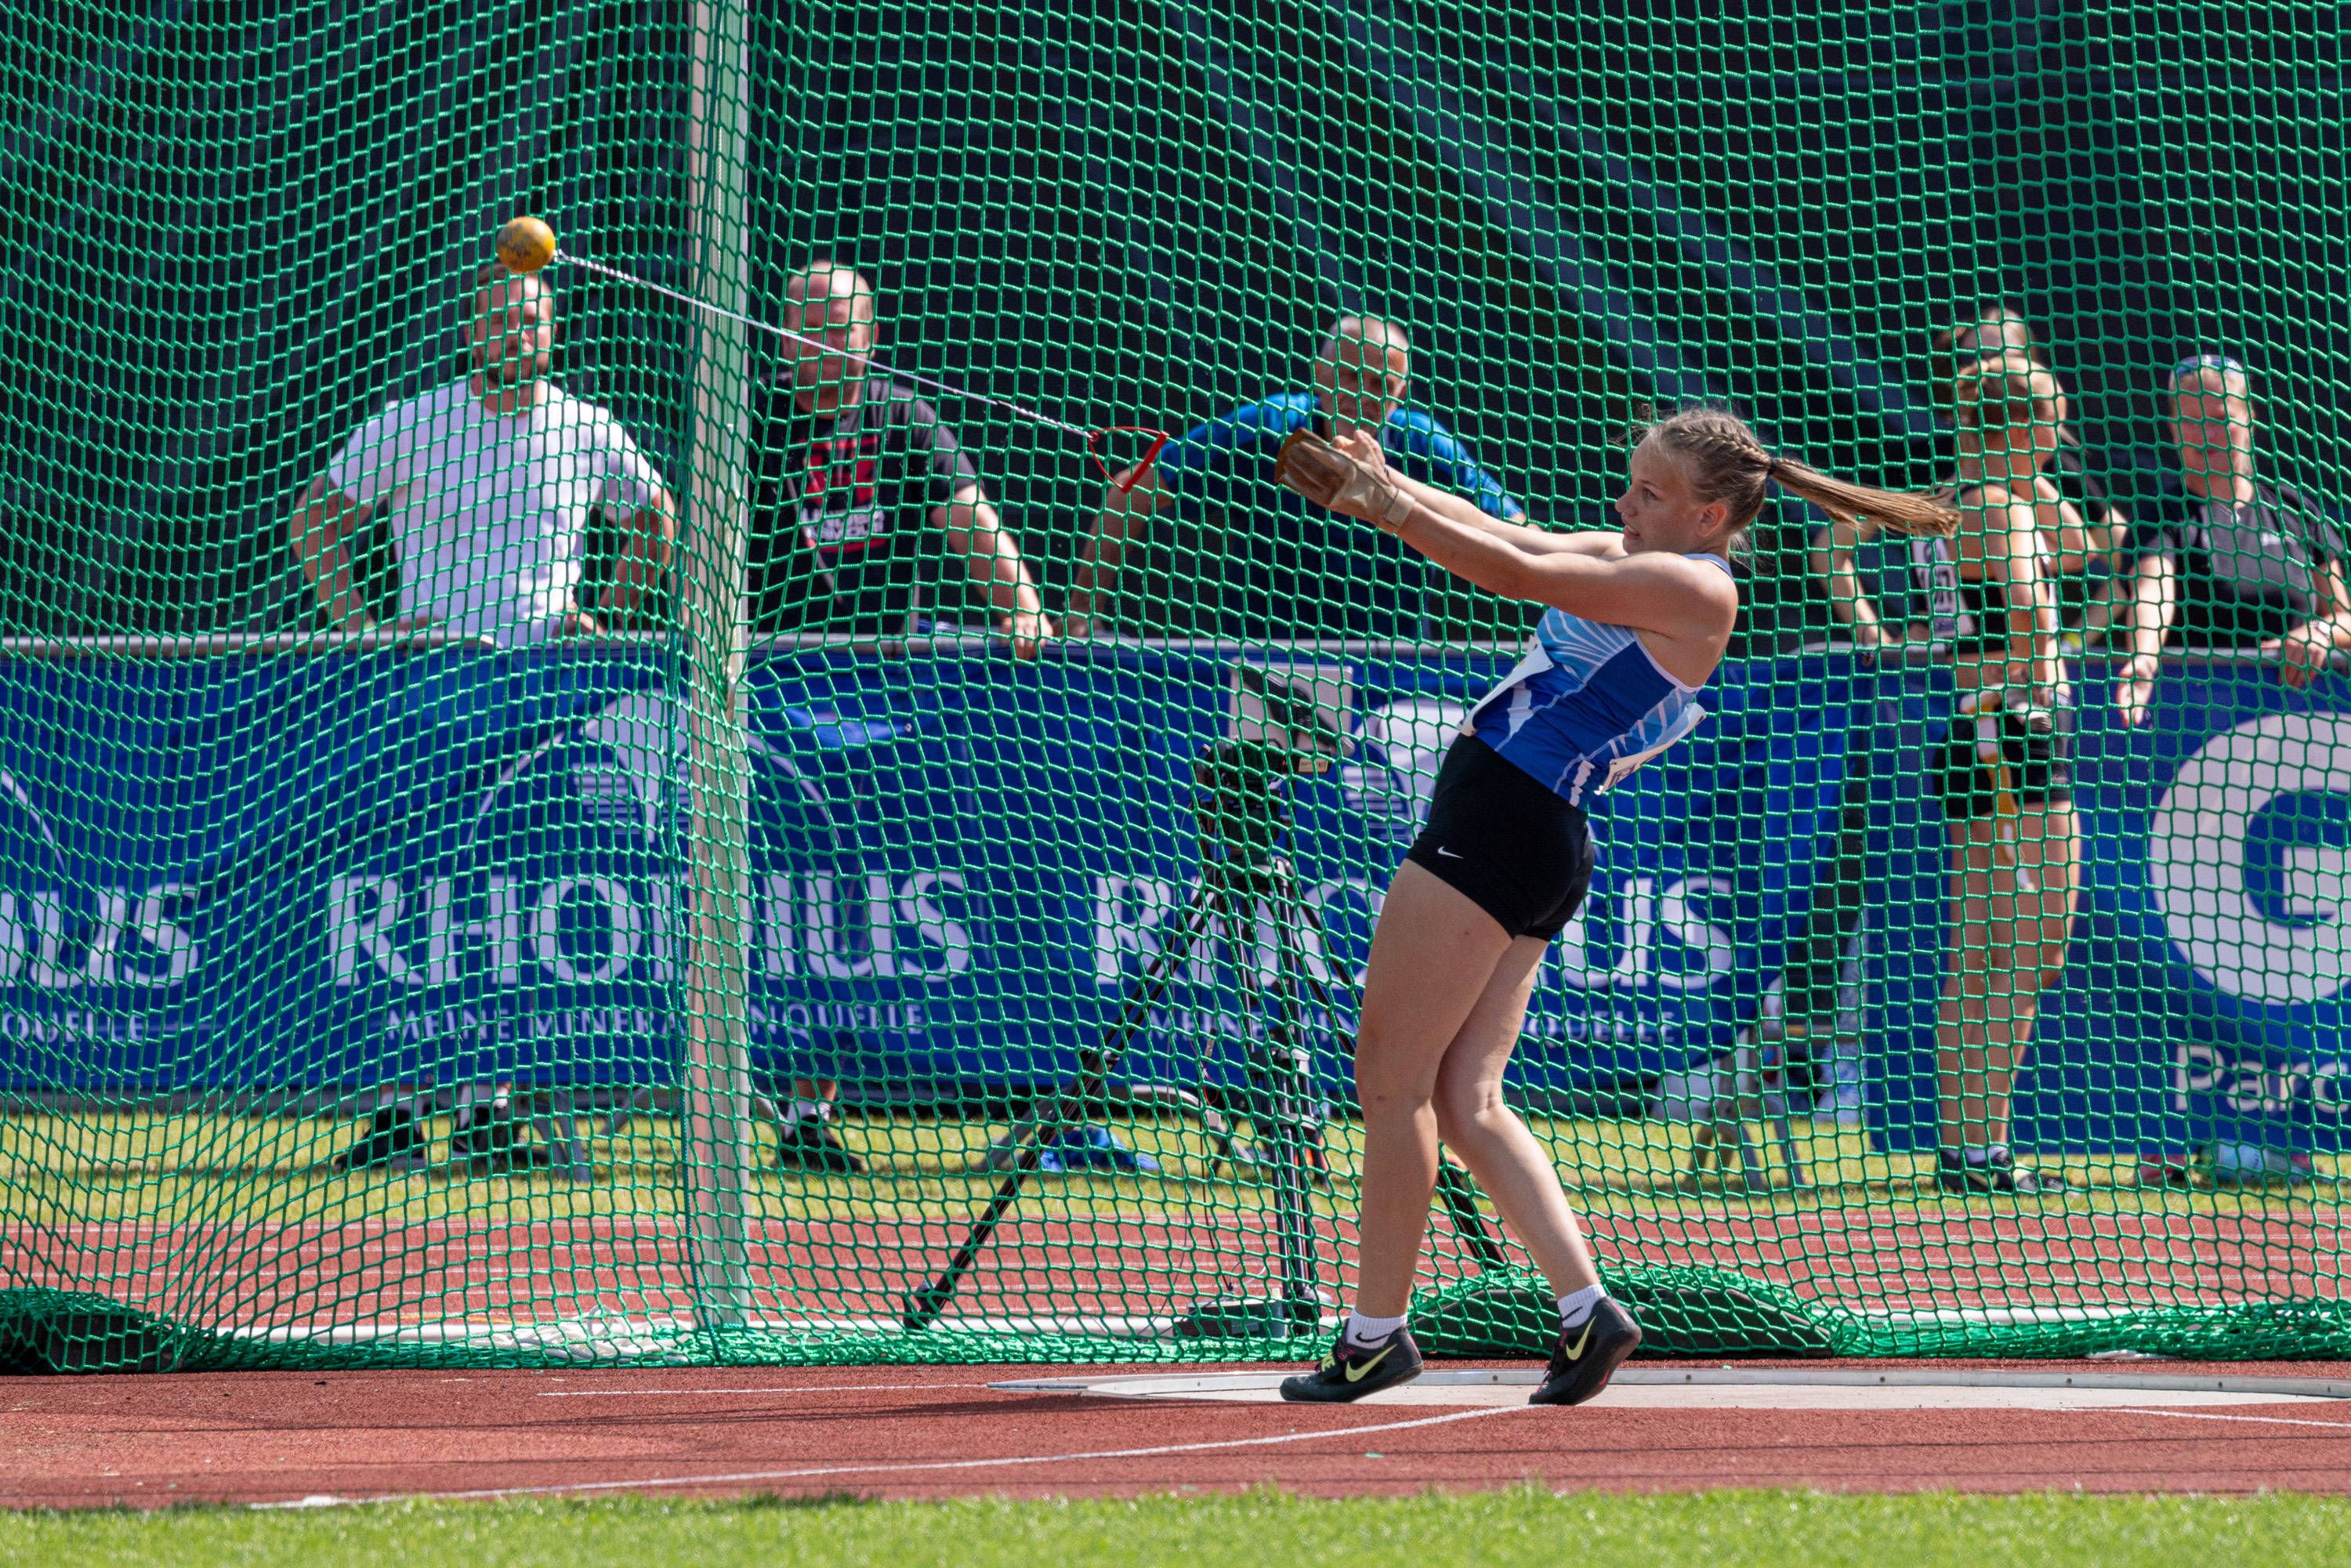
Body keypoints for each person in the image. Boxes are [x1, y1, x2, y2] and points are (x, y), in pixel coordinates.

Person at [1266, 407, 1955, 1403]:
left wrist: (1384, 505)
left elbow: (1513, 577)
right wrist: (1389, 485)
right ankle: (1588, 1314)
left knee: (1392, 1082)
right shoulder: (1643, 554)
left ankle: (1376, 1336)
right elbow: (1515, 538)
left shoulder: (1688, 586)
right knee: (1466, 1099)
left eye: (1650, 492)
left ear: (1712, 516)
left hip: (1506, 816)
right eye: (1631, 481)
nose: (1624, 502)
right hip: (1531, 827)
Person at [292, 259, 678, 1179]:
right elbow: (316, 516)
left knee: (507, 902)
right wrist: (362, 627)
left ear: (553, 333)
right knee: (411, 895)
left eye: (533, 320)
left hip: (541, 696)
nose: (517, 333)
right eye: (501, 318)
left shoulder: (587, 428)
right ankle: (393, 1114)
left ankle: (486, 1115)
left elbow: (659, 516)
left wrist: (613, 614)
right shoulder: (418, 419)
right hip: (430, 688)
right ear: (472, 328)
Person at [1816, 350, 2084, 1195]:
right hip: (2011, 730)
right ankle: (1982, 1151)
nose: (2061, 436)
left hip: (1980, 735)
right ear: (2022, 425)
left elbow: (2079, 549)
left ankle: (1971, 1150)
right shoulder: (1995, 509)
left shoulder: (1959, 500)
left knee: (1994, 947)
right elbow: (2036, 616)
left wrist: (1885, 639)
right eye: (2050, 421)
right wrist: (2033, 661)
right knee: (2018, 947)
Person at [1064, 315, 1525, 642]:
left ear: (1401, 392)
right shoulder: (1265, 428)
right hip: (1269, 663)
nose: (1362, 395)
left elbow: (1517, 530)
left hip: (1393, 669)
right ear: (1320, 376)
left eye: (1382, 385)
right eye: (1349, 376)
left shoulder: (1426, 447)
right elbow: (1133, 489)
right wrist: (1083, 610)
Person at [747, 259, 1054, 657]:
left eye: (841, 329)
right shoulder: (748, 421)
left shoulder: (905, 417)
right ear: (785, 339)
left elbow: (969, 518)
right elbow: (702, 537)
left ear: (870, 337)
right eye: (809, 329)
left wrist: (1022, 607)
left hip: (887, 674)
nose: (824, 343)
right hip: (773, 666)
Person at [2114, 353, 2351, 727]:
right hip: (2199, 730)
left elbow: (2343, 616)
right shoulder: (2161, 518)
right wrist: (2144, 657)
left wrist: (2318, 632)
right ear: (2173, 428)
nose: (2207, 434)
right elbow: (2152, 593)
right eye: (2192, 421)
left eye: (2221, 418)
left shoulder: (2295, 509)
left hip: (2307, 725)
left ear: (2249, 418)